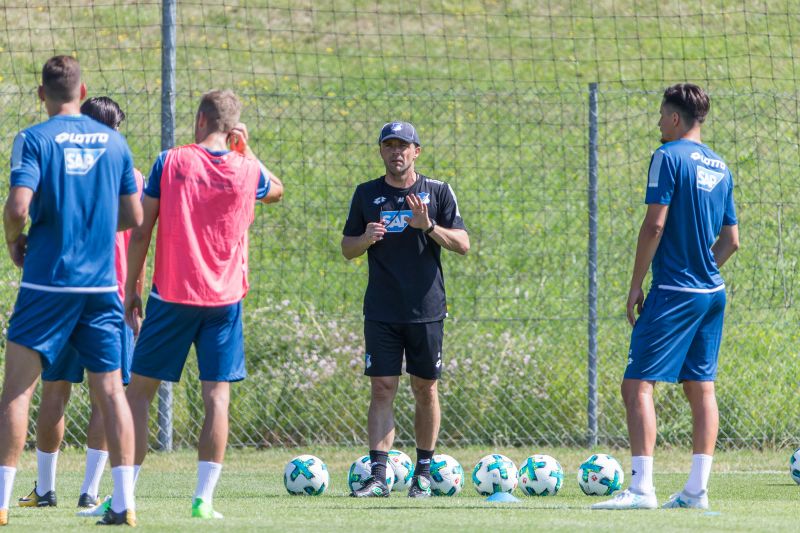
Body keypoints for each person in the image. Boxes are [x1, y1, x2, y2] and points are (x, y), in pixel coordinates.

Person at [123, 89, 283, 519]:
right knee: (217, 397)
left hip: (172, 295)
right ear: (233, 130)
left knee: (138, 394)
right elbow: (278, 190)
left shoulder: (170, 161)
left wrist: (130, 289)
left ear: (199, 120)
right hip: (224, 300)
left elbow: (141, 230)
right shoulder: (248, 169)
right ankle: (203, 500)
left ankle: (125, 495)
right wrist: (247, 150)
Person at [0, 56, 142, 527]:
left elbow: (19, 207)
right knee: (111, 394)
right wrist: (97, 227)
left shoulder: (34, 138)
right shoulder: (114, 142)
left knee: (19, 392)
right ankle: (122, 503)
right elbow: (135, 218)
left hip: (47, 281)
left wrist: (14, 241)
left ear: (42, 94)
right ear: (82, 93)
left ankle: (2, 501)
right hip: (101, 285)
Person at [592, 83, 739, 511]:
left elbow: (654, 225)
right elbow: (731, 241)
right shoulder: (720, 165)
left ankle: (641, 490)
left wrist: (637, 283)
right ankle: (696, 491)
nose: (658, 123)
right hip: (711, 292)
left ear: (675, 118)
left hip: (674, 290)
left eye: (661, 115)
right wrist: (703, 268)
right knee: (701, 387)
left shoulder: (667, 156)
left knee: (637, 384)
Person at [341, 121, 469, 498]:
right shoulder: (366, 194)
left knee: (424, 388)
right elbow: (347, 248)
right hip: (381, 309)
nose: (396, 152)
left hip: (426, 309)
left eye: (404, 146)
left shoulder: (438, 192)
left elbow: (462, 244)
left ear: (417, 152)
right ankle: (379, 477)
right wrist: (364, 239)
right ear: (381, 151)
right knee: (382, 388)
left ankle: (424, 474)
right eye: (389, 145)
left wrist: (428, 226)